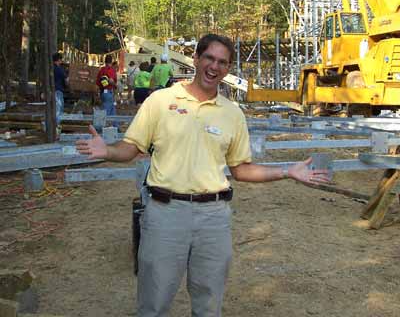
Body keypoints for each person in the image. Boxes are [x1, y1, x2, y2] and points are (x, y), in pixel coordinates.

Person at [76, 34, 330, 317]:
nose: (214, 66)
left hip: (213, 219)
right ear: (196, 59)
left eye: (223, 62)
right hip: (164, 215)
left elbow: (241, 169)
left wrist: (287, 171)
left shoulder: (232, 114)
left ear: (228, 69)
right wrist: (107, 152)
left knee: (209, 304)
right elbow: (130, 148)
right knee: (153, 303)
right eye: (209, 58)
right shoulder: (160, 101)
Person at [52, 52, 68, 127]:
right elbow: (66, 80)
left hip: (51, 91)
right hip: (58, 91)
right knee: (58, 111)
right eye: (61, 60)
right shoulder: (59, 69)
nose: (61, 62)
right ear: (58, 60)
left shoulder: (50, 68)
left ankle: (53, 127)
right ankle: (56, 127)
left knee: (53, 110)